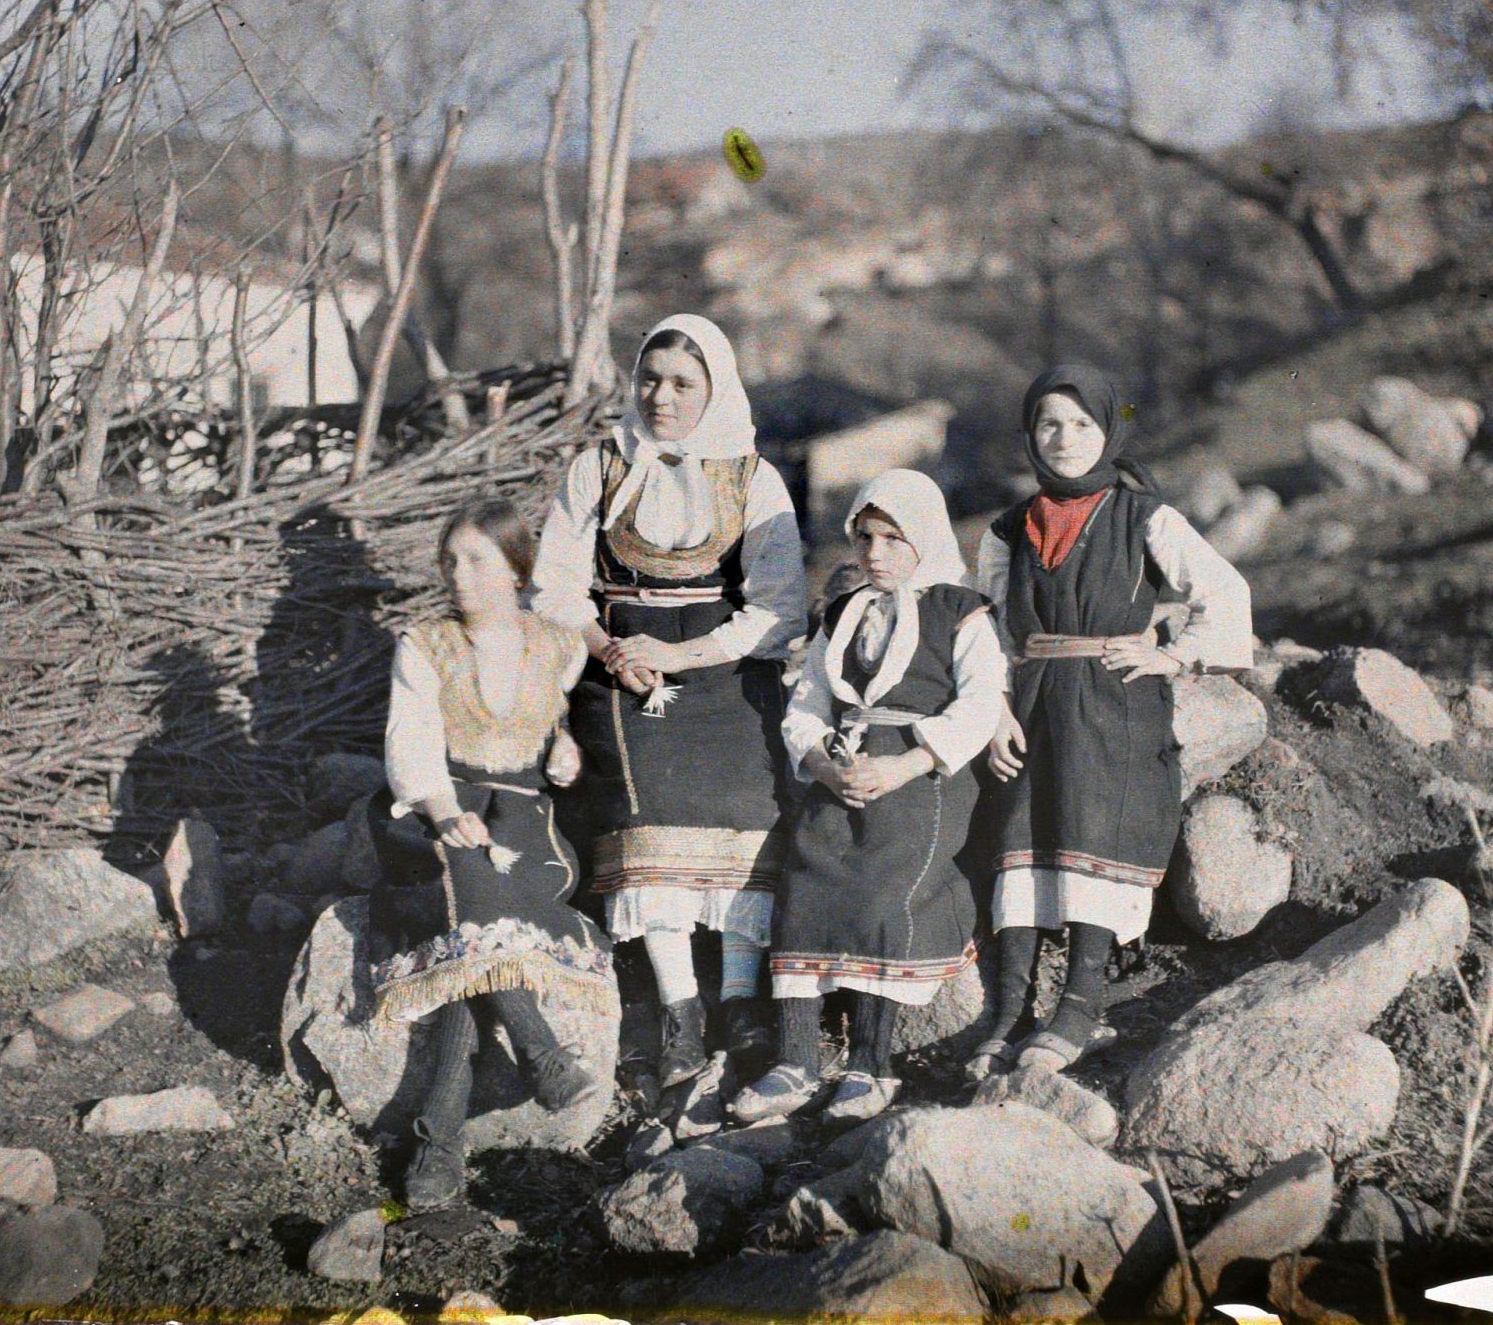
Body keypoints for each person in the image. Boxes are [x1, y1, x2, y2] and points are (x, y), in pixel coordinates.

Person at [530, 315, 807, 1088]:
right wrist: (611, 649)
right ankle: (682, 1008)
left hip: (722, 664)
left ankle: (743, 999)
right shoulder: (601, 466)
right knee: (649, 805)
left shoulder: (752, 477)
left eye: (684, 383)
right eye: (650, 379)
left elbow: (782, 610)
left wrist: (682, 654)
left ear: (714, 389)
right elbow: (552, 583)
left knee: (749, 799)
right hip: (619, 668)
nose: (663, 397)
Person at [970, 364, 1252, 1080]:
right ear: (1029, 434)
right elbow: (983, 634)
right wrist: (993, 709)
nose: (1064, 439)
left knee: (1096, 827)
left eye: (1082, 424)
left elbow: (1222, 589)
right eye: (1048, 424)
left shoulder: (1143, 515)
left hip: (1112, 699)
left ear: (1107, 432)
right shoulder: (1007, 529)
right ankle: (1008, 1010)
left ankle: (1081, 1002)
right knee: (1021, 834)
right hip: (1030, 700)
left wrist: (1176, 656)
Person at [731, 470, 1006, 1125]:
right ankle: (796, 1063)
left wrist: (909, 763)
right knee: (806, 881)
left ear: (925, 539)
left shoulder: (961, 613)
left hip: (922, 785)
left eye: (892, 538)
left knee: (885, 893)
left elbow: (980, 704)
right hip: (845, 773)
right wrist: (825, 766)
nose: (874, 553)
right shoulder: (845, 614)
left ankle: (870, 1067)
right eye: (864, 537)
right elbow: (807, 703)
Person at [367, 501, 616, 1210]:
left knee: (471, 953)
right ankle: (538, 1054)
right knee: (470, 893)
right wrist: (444, 814)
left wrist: (566, 747)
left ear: (516, 568)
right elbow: (408, 740)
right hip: (440, 816)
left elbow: (570, 718)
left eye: (477, 560)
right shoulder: (425, 645)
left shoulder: (559, 645)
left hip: (525, 820)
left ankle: (437, 1139)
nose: (459, 576)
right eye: (450, 561)